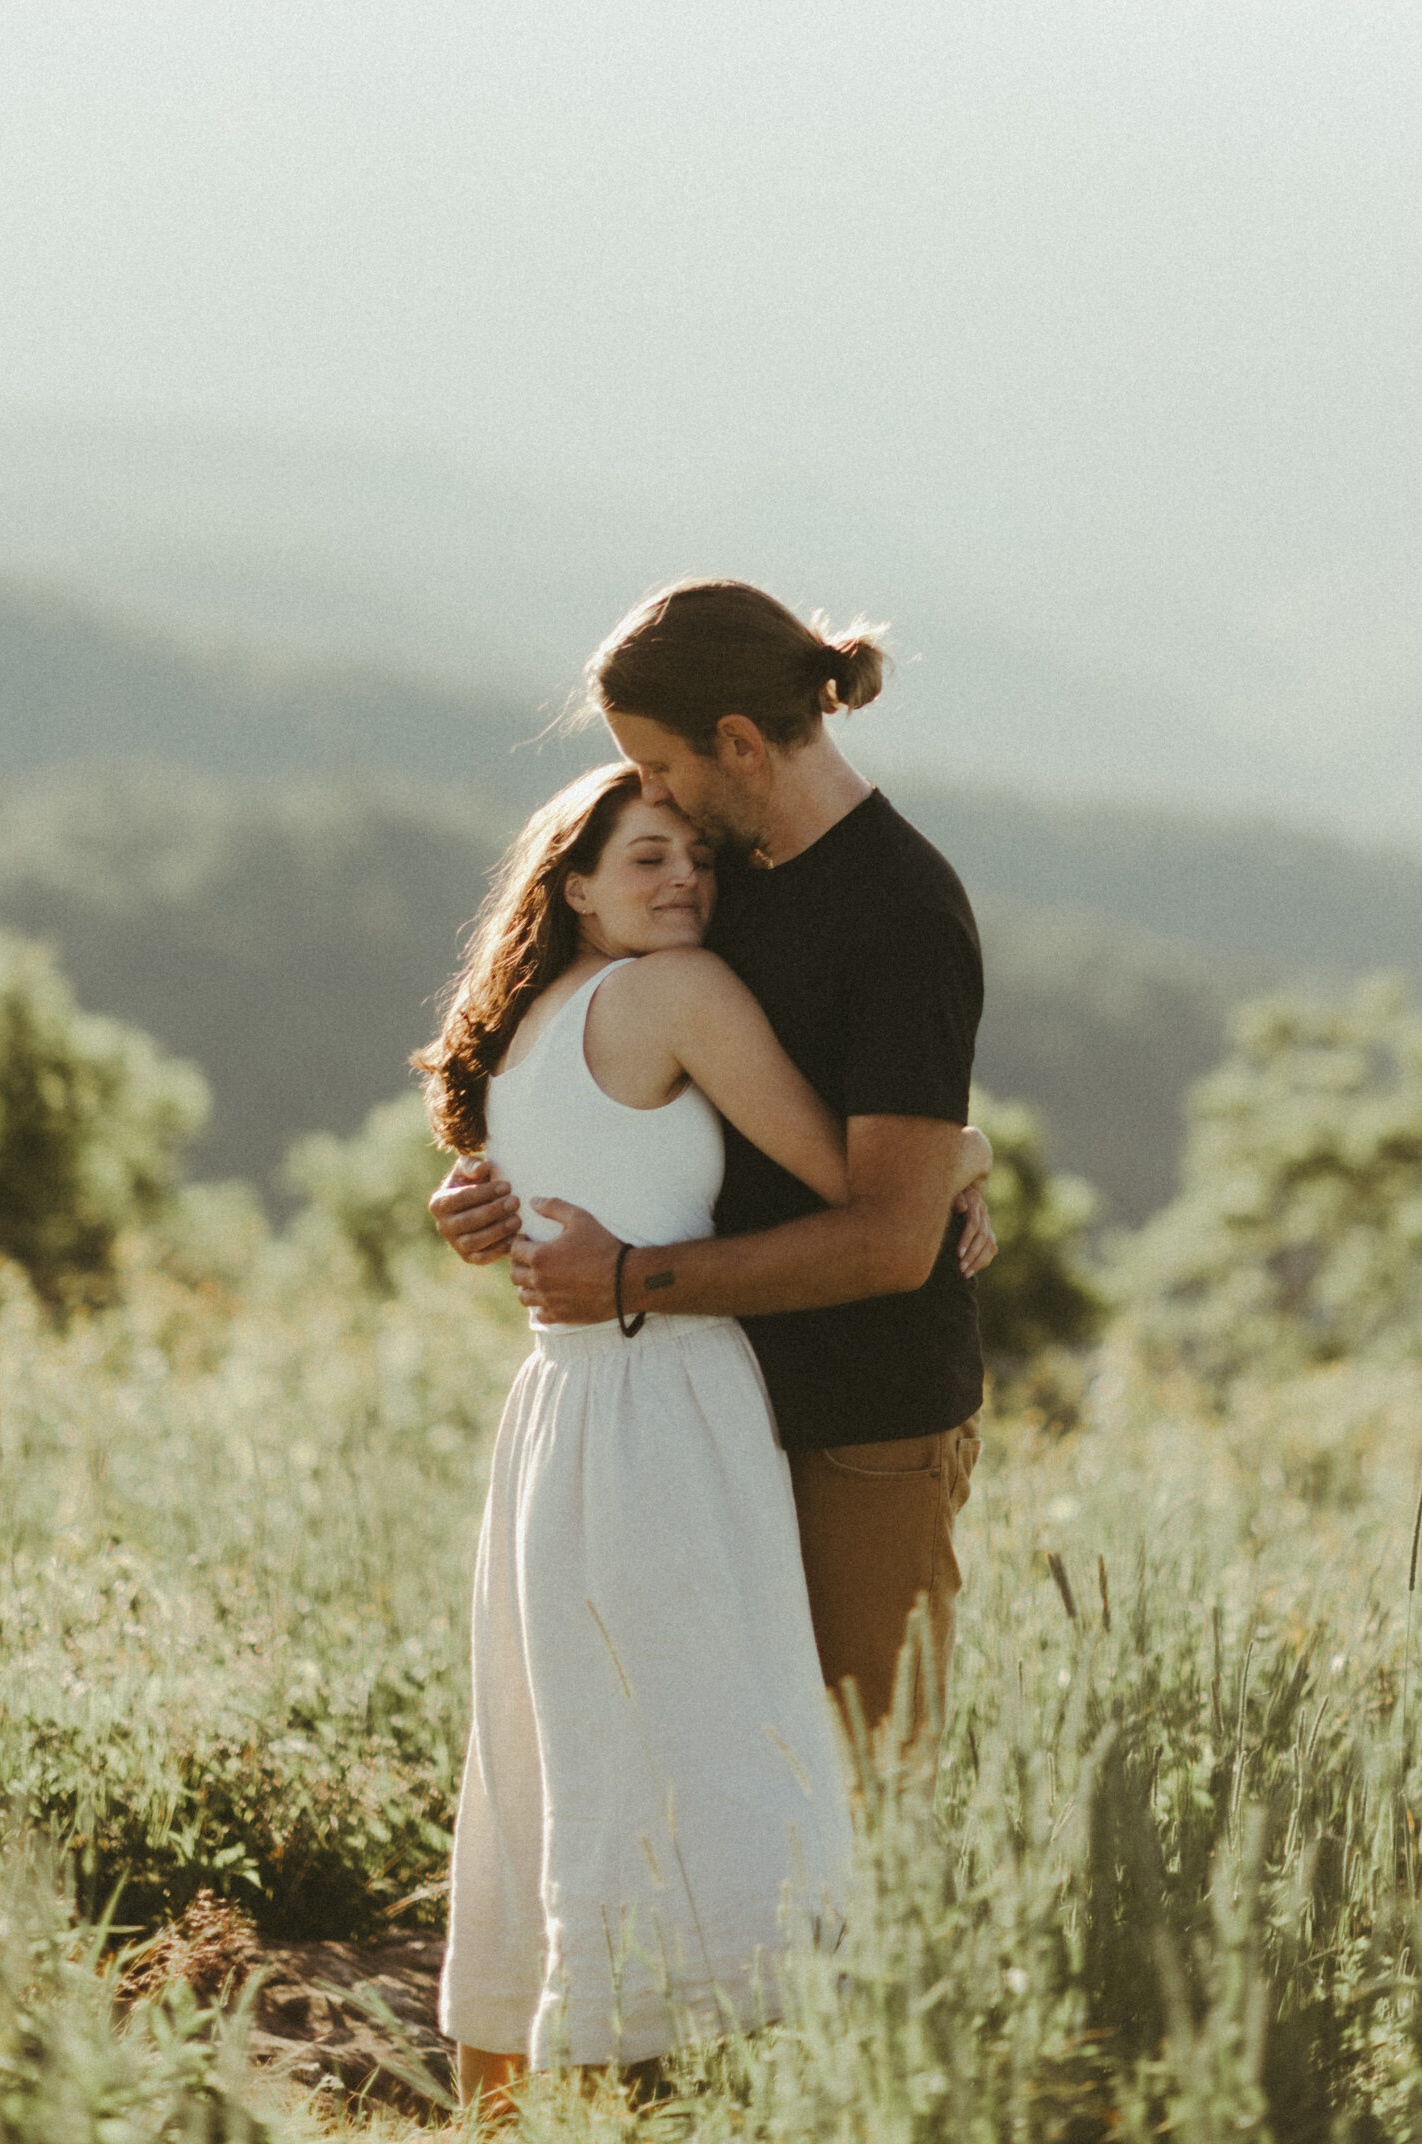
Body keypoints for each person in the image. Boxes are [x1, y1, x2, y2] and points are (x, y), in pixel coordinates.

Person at [414, 759, 994, 2110]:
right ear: (573, 885)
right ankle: (747, 2063)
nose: (685, 879)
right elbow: (851, 1180)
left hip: (557, 1413)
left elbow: (522, 1197)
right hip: (663, 1398)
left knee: (573, 1743)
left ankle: (545, 2062)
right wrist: (963, 1157)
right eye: (645, 858)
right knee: (727, 1744)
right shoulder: (680, 991)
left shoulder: (528, 1024)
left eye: (696, 857)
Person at [433, 577, 989, 1771]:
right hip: (711, 1418)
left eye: (664, 767)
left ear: (737, 743)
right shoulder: (722, 885)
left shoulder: (901, 910)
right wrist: (498, 1180)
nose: (656, 796)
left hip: (862, 1418)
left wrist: (630, 1276)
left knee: (863, 1789)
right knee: (725, 1779)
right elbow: (635, 1081)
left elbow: (893, 1240)